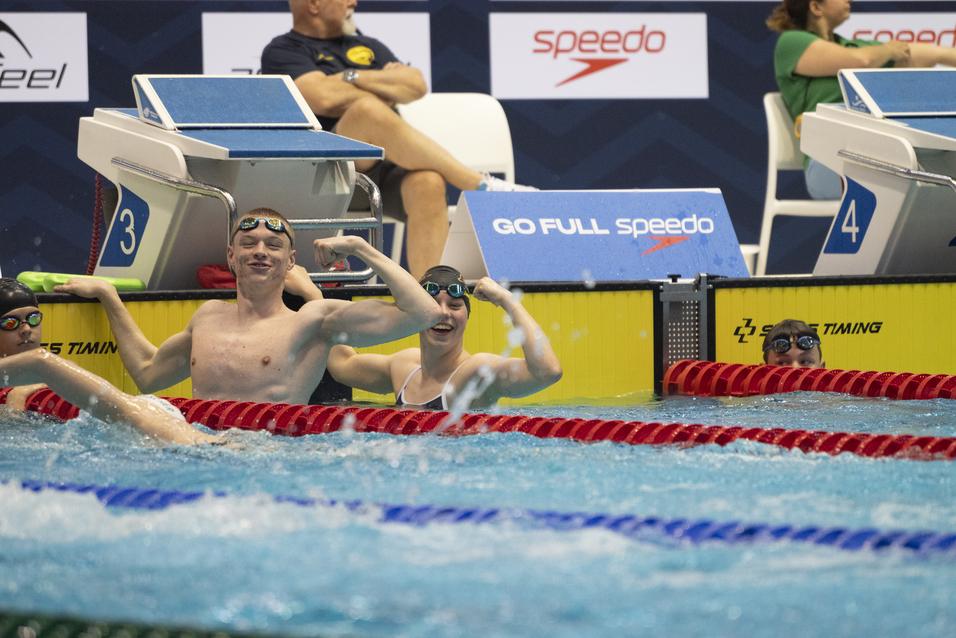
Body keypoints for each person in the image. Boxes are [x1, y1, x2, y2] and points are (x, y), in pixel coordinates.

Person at [261, 0, 536, 279]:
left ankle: (430, 298)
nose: (353, 2)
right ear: (314, 4)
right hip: (331, 176)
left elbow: (415, 84)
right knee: (367, 111)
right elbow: (322, 97)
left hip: (382, 170)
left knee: (428, 182)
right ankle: (477, 184)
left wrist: (350, 77)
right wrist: (383, 85)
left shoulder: (369, 46)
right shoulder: (284, 50)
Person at [55, 208, 443, 405]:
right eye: (249, 243)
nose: (260, 252)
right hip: (200, 452)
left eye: (273, 246)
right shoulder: (207, 316)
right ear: (231, 255)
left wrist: (361, 248)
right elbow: (147, 374)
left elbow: (423, 313)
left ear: (291, 261)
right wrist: (109, 297)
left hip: (271, 459)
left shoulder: (314, 320)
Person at [286, 265, 562, 410]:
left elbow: (547, 372)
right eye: (433, 306)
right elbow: (343, 365)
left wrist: (507, 301)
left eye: (455, 306)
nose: (444, 314)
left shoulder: (476, 372)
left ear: (467, 317)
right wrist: (313, 297)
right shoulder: (404, 367)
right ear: (417, 316)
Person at [767, 0, 956, 199]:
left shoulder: (855, 47)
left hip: (872, 154)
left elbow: (935, 54)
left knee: (936, 164)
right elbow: (859, 61)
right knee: (905, 171)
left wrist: (890, 52)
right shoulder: (792, 42)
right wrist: (889, 50)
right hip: (826, 164)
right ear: (816, 7)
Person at [0, 278, 218, 445]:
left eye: (33, 318)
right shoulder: (44, 365)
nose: (27, 329)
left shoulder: (59, 368)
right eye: (11, 323)